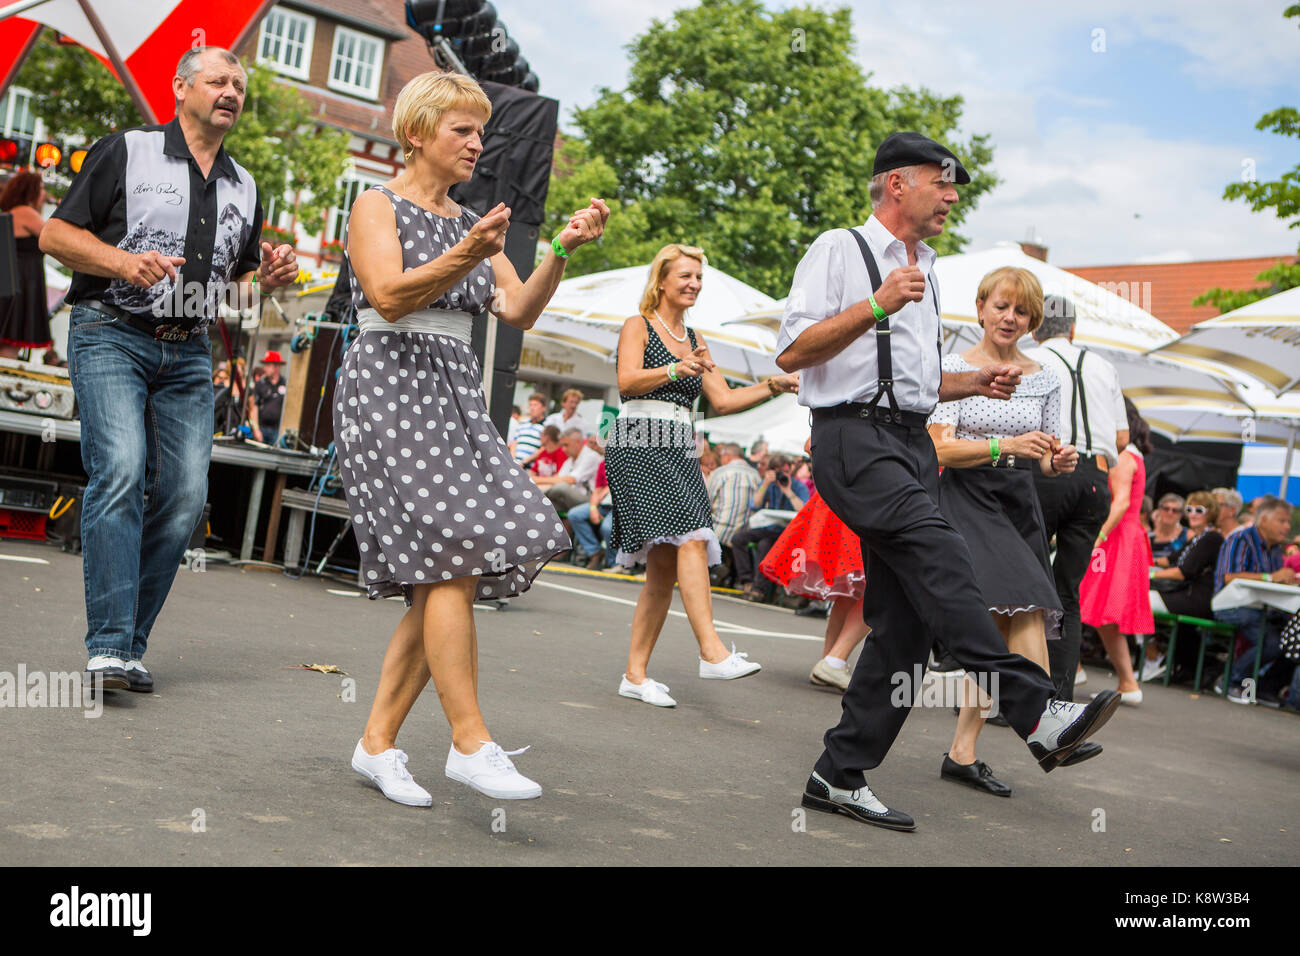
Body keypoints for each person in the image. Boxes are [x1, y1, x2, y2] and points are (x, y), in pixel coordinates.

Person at [776, 131, 1119, 831]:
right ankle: (1035, 709)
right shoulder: (841, 249)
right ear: (899, 184)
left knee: (902, 626)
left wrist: (975, 384)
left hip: (905, 440)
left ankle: (838, 774)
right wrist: (874, 304)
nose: (954, 197)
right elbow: (793, 350)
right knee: (944, 552)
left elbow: (916, 381)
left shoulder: (926, 270)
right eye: (944, 183)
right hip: (853, 438)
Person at [336, 70, 608, 804]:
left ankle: (377, 745)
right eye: (463, 130)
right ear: (419, 131)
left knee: (446, 575)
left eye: (481, 132)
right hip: (389, 389)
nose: (476, 144)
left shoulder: (469, 221)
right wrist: (469, 250)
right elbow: (388, 297)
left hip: (451, 392)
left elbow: (516, 308)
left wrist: (560, 249)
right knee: (452, 561)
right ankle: (470, 742)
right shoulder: (376, 203)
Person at [40, 47, 298, 693]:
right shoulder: (127, 150)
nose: (231, 92)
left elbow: (235, 293)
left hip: (188, 352)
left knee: (185, 499)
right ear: (181, 86)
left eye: (240, 85)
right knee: (122, 470)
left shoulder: (245, 182)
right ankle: (107, 646)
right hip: (111, 334)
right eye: (218, 80)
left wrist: (265, 282)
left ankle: (128, 644)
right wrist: (124, 263)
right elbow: (54, 236)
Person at [606, 242, 798, 707]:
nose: (693, 284)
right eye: (685, 276)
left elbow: (725, 401)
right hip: (638, 442)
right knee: (691, 537)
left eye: (698, 278)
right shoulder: (639, 325)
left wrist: (773, 384)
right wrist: (674, 368)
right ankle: (712, 651)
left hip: (678, 447)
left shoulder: (695, 339)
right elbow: (627, 381)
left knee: (663, 566)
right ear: (662, 280)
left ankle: (635, 674)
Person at [928, 267, 1082, 798]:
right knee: (1030, 602)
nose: (1010, 317)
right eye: (1001, 306)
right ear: (980, 308)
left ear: (1032, 319)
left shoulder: (1045, 376)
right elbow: (939, 450)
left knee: (1000, 624)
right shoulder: (950, 368)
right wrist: (1006, 447)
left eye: (1021, 310)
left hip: (1021, 502)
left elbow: (1046, 459)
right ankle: (1046, 716)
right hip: (968, 495)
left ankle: (962, 752)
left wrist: (1059, 461)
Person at [1024, 294, 1129, 700]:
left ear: (1036, 328)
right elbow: (1121, 438)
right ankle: (1060, 696)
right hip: (1094, 481)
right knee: (1066, 593)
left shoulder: (1032, 360)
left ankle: (1013, 695)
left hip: (1048, 470)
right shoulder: (1103, 365)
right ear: (1073, 328)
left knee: (1024, 586)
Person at [1079, 399, 1156, 705]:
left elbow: (1121, 502)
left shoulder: (1124, 456)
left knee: (1094, 606)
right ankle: (1125, 682)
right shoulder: (1131, 454)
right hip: (1123, 536)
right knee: (1098, 610)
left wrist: (1098, 536)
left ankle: (1123, 680)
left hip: (1117, 537)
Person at [759, 490, 870, 691]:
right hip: (872, 495)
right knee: (885, 588)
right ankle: (834, 661)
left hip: (845, 490)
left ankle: (829, 661)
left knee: (853, 590)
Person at [1212, 496, 1298, 704]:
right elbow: (1229, 576)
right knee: (1271, 641)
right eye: (1282, 521)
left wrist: (1287, 581)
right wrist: (1272, 577)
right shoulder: (1241, 539)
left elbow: (1271, 583)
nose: (1287, 527)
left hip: (1262, 607)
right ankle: (1231, 681)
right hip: (1230, 604)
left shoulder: (1275, 548)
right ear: (1264, 520)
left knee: (1295, 637)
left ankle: (1265, 687)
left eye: (1288, 522)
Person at [1148, 490, 1224, 683]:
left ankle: (1152, 657)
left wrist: (1149, 573)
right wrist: (1138, 562)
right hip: (1186, 595)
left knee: (1139, 601)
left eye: (1199, 509)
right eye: (1189, 509)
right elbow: (1169, 560)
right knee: (1138, 600)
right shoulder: (1197, 539)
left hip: (1198, 599)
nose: (1193, 513)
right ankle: (1176, 662)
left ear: (1211, 512)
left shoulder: (1212, 538)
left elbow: (1183, 571)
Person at [730, 452, 810, 601]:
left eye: (786, 471)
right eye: (780, 472)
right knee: (738, 538)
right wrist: (766, 483)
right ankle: (747, 581)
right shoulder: (769, 484)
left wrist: (788, 490)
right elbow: (755, 504)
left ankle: (758, 589)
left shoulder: (798, 486)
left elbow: (804, 511)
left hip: (789, 532)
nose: (783, 475)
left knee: (764, 545)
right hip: (769, 528)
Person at [0, 171, 51, 357]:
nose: (44, 193)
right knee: (9, 347)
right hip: (20, 283)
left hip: (13, 282)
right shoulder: (26, 213)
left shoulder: (11, 212)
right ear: (32, 191)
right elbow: (54, 237)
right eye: (42, 188)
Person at [532, 425, 601, 513]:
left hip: (591, 500)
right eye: (562, 445)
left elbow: (570, 480)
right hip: (572, 499)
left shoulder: (591, 456)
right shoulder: (570, 459)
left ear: (578, 442)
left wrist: (537, 481)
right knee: (543, 505)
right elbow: (557, 478)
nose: (563, 449)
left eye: (566, 445)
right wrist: (536, 485)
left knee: (561, 487)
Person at [251, 349, 287, 446]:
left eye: (268, 365)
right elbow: (254, 409)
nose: (265, 368)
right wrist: (256, 429)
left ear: (277, 367)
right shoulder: (260, 384)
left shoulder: (286, 384)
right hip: (262, 429)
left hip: (278, 430)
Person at [1150, 493, 1190, 566]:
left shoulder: (1187, 535)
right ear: (1159, 510)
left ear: (1181, 514)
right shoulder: (1148, 534)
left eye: (1175, 510)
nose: (1170, 513)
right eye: (1166, 509)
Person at [510, 392, 546, 464]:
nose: (532, 408)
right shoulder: (523, 423)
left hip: (529, 468)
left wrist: (524, 462)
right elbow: (514, 443)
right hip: (515, 464)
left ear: (543, 408)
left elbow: (544, 449)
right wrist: (513, 460)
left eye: (535, 405)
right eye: (530, 405)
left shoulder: (546, 426)